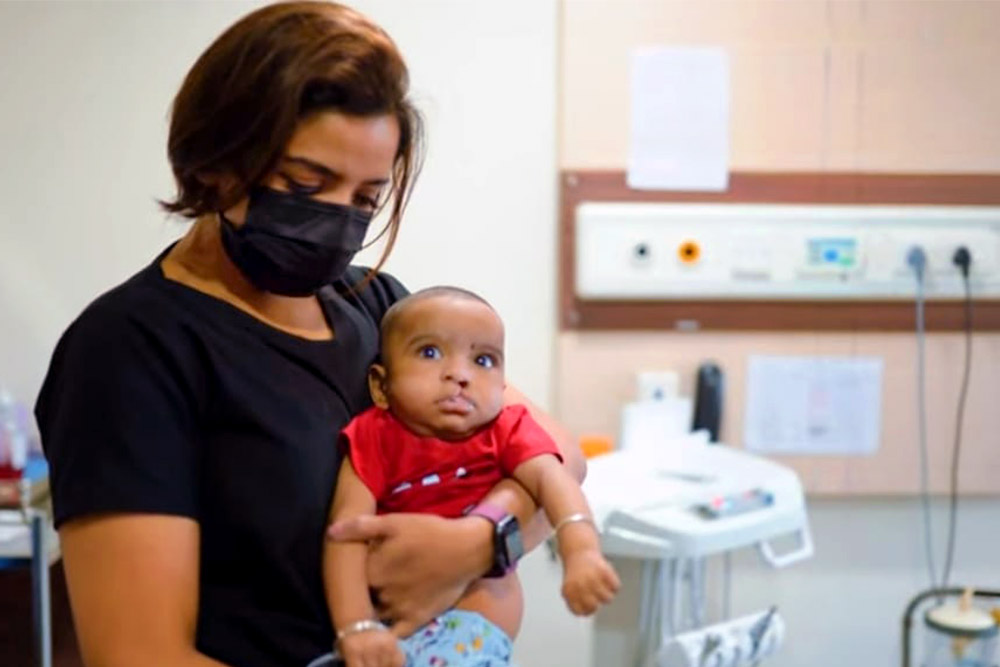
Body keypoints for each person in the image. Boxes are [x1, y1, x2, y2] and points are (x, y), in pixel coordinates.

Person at [33, 3, 585, 666]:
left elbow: (558, 454)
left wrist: (478, 541)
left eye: (363, 200)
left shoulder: (378, 305)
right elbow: (140, 654)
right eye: (304, 184)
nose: (336, 222)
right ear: (218, 158)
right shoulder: (131, 350)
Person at [323, 287, 620, 666]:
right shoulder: (373, 436)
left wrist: (581, 552)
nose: (459, 374)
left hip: (472, 627)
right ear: (381, 386)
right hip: (385, 630)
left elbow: (556, 480)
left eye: (483, 359)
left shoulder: (506, 429)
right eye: (430, 353)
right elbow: (345, 535)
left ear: (502, 386)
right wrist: (356, 626)